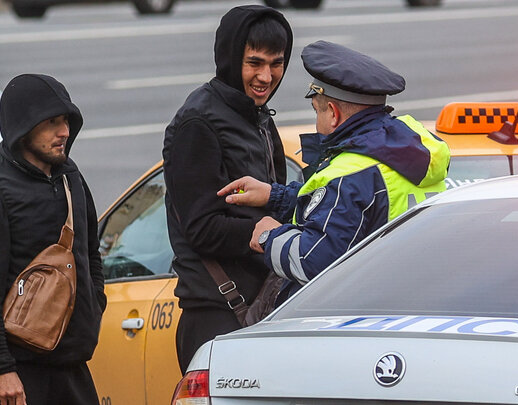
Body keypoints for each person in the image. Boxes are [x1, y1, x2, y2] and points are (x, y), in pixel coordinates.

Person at [218, 41, 451, 300]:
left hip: (358, 315)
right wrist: (276, 195)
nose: (317, 121)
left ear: (333, 113)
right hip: (407, 301)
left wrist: (269, 236)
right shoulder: (404, 152)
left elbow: (311, 261)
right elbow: (358, 212)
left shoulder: (349, 175)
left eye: (317, 111)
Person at [0, 73, 106, 405]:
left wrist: (94, 306)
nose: (64, 131)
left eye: (66, 121)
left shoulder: (71, 177)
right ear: (24, 127)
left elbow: (90, 252)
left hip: (72, 369)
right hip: (16, 375)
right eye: (51, 122)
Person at [162, 5, 293, 374]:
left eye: (276, 63)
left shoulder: (258, 117)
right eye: (254, 62)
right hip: (216, 314)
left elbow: (274, 202)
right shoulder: (198, 122)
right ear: (231, 57)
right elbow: (201, 228)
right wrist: (261, 234)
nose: (266, 76)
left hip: (264, 305)